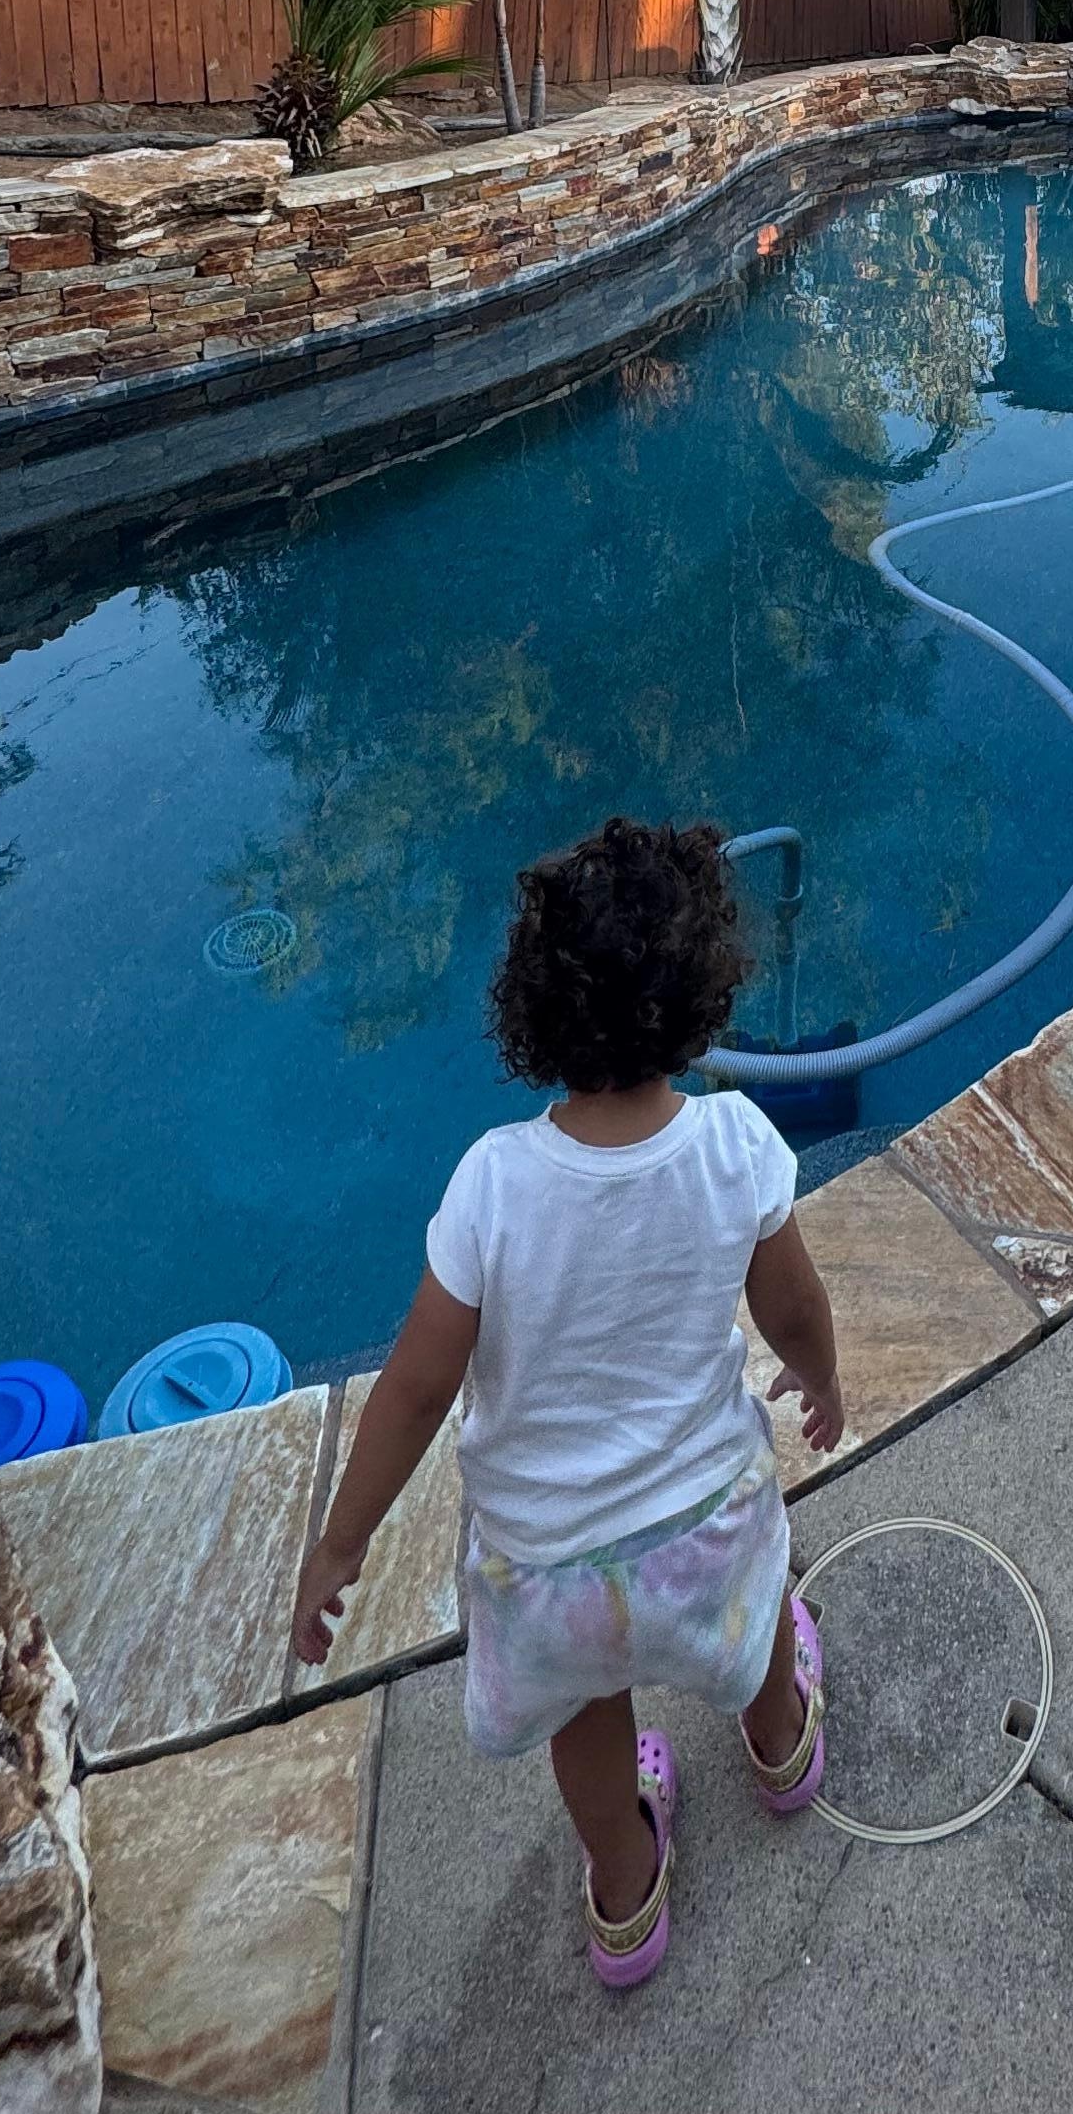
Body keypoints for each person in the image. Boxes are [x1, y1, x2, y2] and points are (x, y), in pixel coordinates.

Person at [290, 817, 844, 1990]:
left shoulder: (494, 1184)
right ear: (704, 991)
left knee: (591, 1716)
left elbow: (416, 1385)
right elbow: (792, 1307)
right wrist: (823, 1376)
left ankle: (626, 1896)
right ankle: (782, 1743)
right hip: (705, 1528)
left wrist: (342, 1541)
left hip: (548, 1573)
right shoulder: (736, 1146)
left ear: (532, 1006)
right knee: (759, 1609)